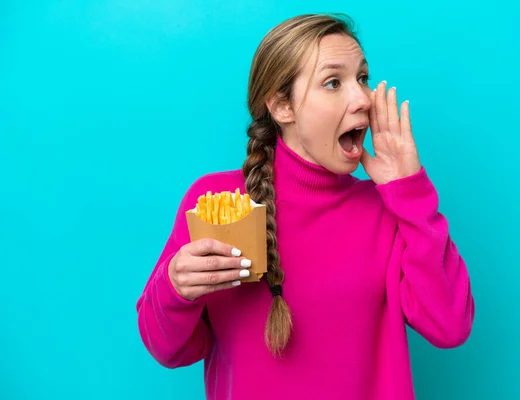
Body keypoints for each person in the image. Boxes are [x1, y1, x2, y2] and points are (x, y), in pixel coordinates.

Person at [136, 13, 475, 400]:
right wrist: (175, 288)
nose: (363, 99)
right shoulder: (217, 203)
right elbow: (168, 348)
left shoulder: (388, 211)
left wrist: (410, 193)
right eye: (333, 82)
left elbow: (450, 326)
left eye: (362, 78)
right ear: (282, 106)